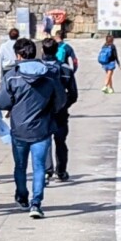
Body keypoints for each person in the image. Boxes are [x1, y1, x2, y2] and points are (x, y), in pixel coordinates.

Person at [0, 35, 75, 217]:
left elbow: (2, 102)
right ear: (35, 52)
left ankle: (22, 196)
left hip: (19, 128)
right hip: (42, 127)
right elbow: (60, 100)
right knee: (39, 166)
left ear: (18, 55)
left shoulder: (12, 76)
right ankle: (36, 203)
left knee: (20, 166)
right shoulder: (49, 74)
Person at [48, 17, 78, 181]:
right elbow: (75, 61)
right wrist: (65, 103)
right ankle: (61, 171)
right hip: (61, 109)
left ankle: (47, 170)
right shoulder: (67, 51)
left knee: (44, 141)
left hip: (44, 110)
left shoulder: (40, 68)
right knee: (60, 141)